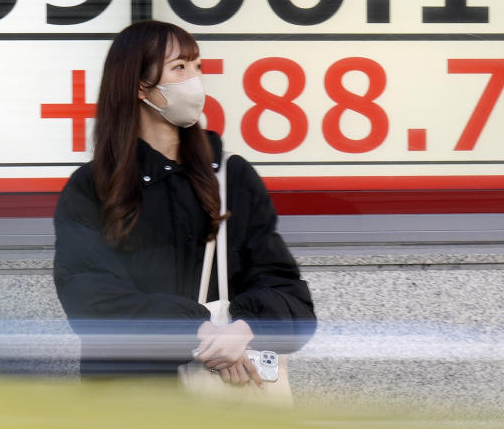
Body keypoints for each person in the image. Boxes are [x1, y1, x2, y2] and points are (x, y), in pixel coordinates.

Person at [53, 20, 315, 383]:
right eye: (180, 68)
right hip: (128, 404)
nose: (195, 81)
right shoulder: (93, 187)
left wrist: (243, 330)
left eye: (198, 67)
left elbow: (290, 294)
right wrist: (201, 334)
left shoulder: (231, 176)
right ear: (140, 87)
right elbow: (90, 299)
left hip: (227, 413)